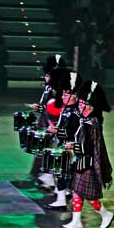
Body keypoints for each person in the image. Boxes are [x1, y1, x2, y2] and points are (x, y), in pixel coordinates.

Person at [61, 80, 114, 228]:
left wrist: (73, 146)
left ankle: (106, 214)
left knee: (88, 195)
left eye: (82, 102)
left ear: (90, 106)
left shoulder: (93, 123)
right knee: (77, 191)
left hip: (88, 164)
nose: (79, 104)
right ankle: (76, 221)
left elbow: (91, 147)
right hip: (81, 162)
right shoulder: (84, 120)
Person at [45, 71, 82, 210]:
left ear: (74, 96)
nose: (62, 96)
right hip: (63, 145)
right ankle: (61, 200)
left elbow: (74, 132)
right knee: (59, 173)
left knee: (68, 176)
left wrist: (57, 131)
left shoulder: (76, 112)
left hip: (72, 148)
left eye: (66, 94)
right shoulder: (66, 108)